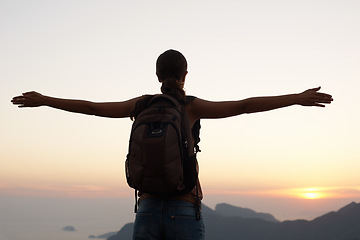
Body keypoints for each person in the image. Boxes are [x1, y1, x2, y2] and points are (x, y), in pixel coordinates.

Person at [11, 49, 333, 240]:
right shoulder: (190, 106)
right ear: (185, 75)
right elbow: (245, 105)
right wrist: (295, 98)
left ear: (157, 75)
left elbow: (92, 107)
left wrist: (44, 100)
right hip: (184, 207)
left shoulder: (139, 105)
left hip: (147, 210)